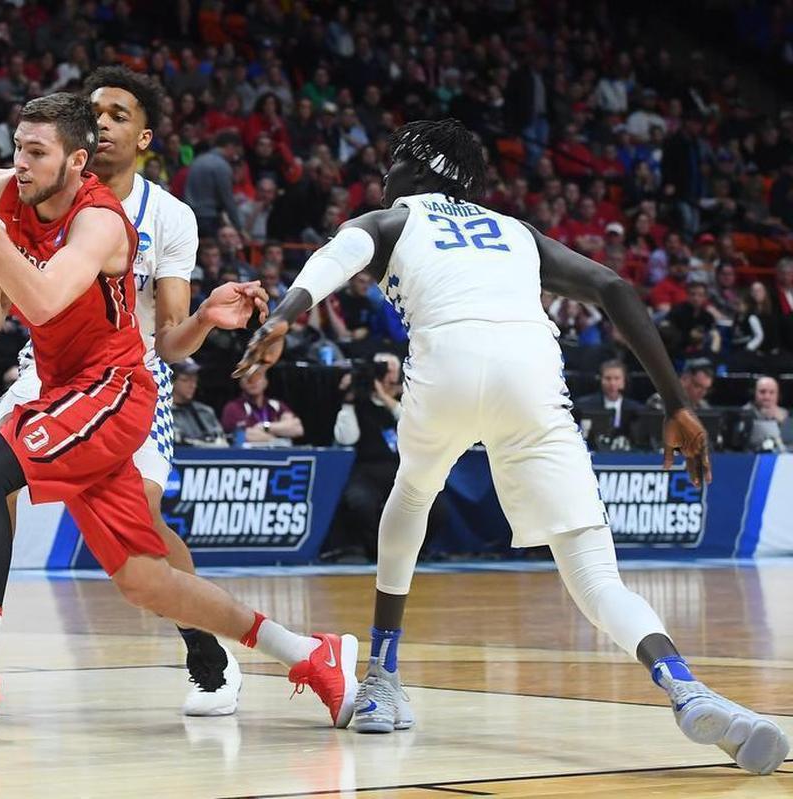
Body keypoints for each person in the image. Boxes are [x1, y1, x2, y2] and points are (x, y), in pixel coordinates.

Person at [235, 118, 786, 774]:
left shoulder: (396, 216)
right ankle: (682, 685)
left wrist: (283, 314)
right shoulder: (515, 230)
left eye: (393, 163)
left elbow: (338, 254)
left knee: (412, 492)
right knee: (594, 572)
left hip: (448, 358)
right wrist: (676, 402)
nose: (384, 176)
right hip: (532, 371)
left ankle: (383, 675)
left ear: (424, 165)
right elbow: (613, 286)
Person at [0, 92, 354, 728]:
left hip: (112, 388)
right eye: (17, 149)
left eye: (36, 152)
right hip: (64, 389)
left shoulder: (102, 221)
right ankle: (310, 654)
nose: (20, 164)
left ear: (76, 161)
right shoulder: (8, 191)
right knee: (146, 579)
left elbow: (50, 299)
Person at [0, 69, 267, 716]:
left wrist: (209, 321)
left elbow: (172, 340)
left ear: (145, 136)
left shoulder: (170, 215)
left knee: (146, 525)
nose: (102, 121)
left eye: (118, 113)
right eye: (94, 110)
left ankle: (207, 651)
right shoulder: (42, 188)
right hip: (45, 365)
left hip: (132, 374)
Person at [330, 356, 403, 560]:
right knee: (361, 503)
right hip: (366, 471)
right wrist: (348, 401)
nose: (387, 379)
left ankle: (411, 552)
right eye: (382, 373)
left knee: (438, 509)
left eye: (391, 374)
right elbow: (346, 438)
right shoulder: (358, 403)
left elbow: (409, 420)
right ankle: (377, 553)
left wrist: (382, 395)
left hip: (399, 470)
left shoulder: (401, 404)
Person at [220, 368, 304, 444]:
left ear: (265, 382)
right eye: (248, 377)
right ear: (241, 383)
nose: (252, 381)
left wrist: (264, 427)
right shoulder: (233, 408)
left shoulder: (276, 405)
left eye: (257, 376)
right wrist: (278, 441)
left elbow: (297, 429)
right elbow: (246, 436)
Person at [575, 359, 645, 442]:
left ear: (624, 381)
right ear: (600, 380)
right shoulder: (584, 406)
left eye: (617, 378)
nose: (612, 383)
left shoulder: (637, 409)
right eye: (608, 378)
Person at [170, 358, 226, 446]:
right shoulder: (163, 412)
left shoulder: (206, 411)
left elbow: (223, 443)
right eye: (185, 380)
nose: (192, 385)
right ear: (172, 382)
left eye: (195, 380)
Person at [739, 376, 793, 452]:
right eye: (762, 392)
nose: (767, 397)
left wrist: (783, 423)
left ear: (778, 395)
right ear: (754, 393)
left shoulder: (785, 414)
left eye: (772, 392)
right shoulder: (744, 413)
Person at [647, 361, 715, 411]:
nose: (702, 392)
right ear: (684, 379)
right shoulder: (659, 400)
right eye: (697, 386)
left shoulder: (704, 407)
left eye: (706, 389)